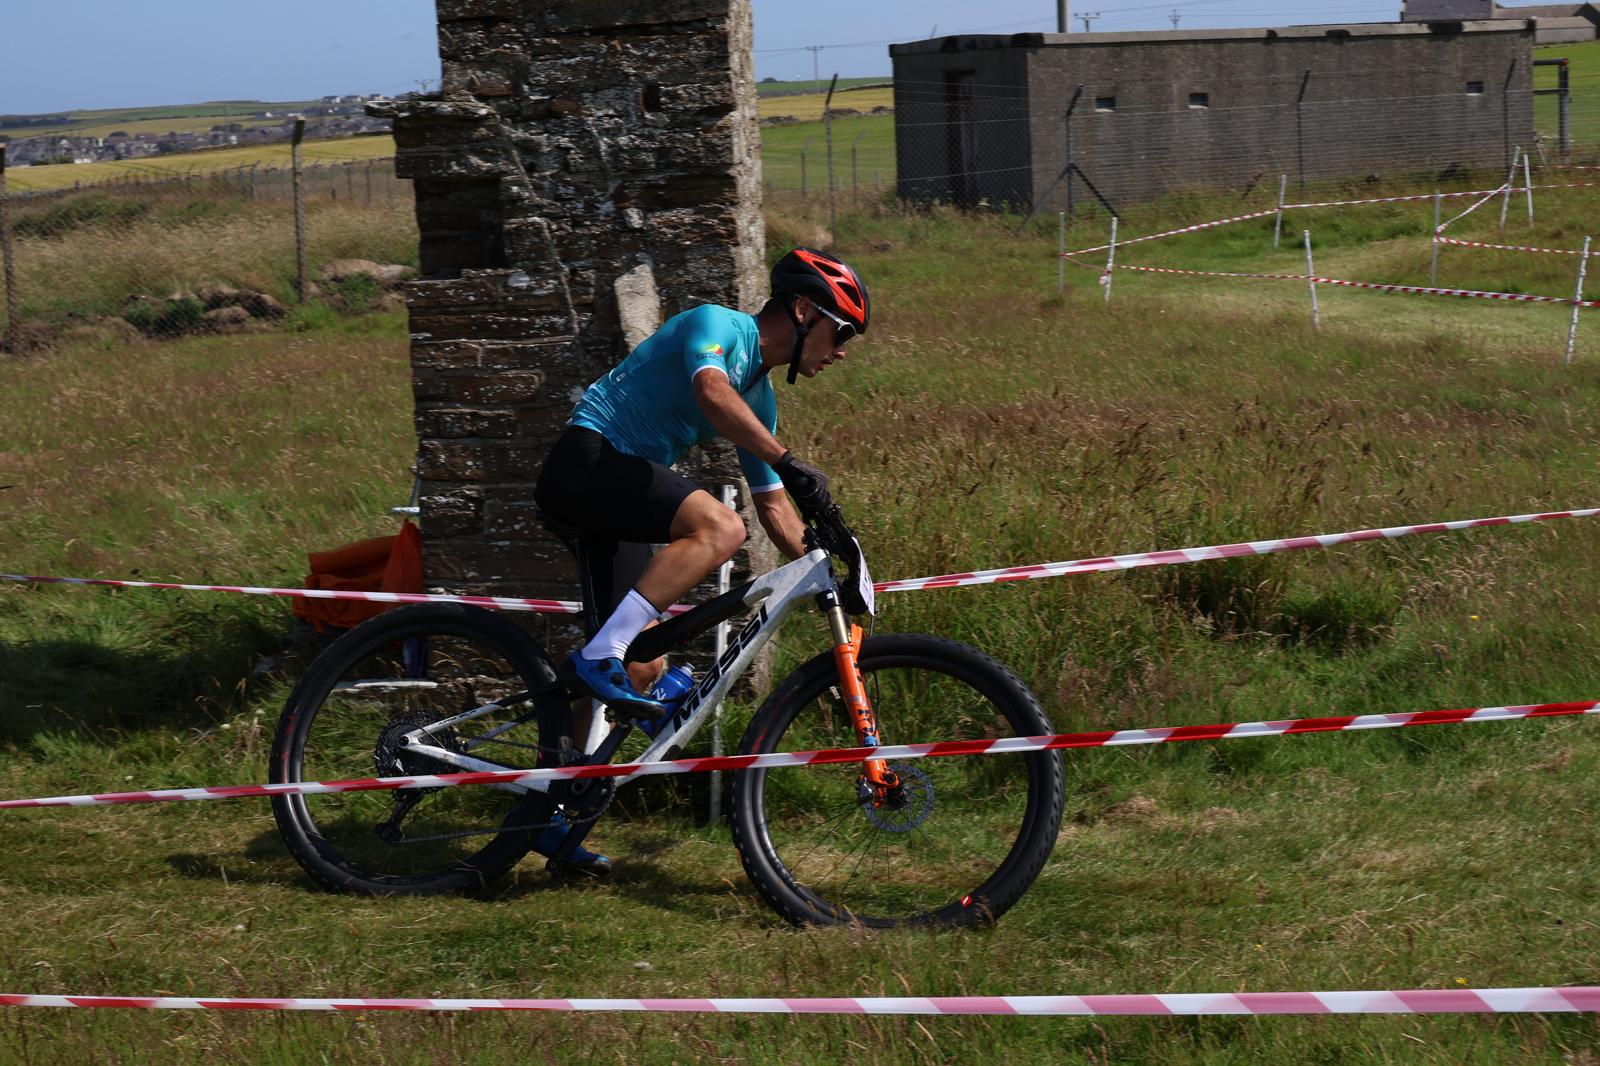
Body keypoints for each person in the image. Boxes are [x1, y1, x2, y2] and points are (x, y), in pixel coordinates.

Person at [528, 248, 870, 876]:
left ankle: (555, 819)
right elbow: (709, 392)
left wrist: (830, 568)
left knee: (641, 664)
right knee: (719, 526)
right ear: (801, 311)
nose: (842, 349)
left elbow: (774, 507)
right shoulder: (719, 326)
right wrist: (790, 458)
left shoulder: (760, 398)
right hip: (587, 460)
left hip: (614, 490)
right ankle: (599, 656)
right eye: (839, 330)